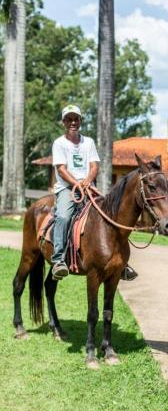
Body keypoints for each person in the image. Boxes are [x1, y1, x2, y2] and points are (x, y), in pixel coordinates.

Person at [51, 105, 100, 280]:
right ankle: (58, 260)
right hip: (67, 188)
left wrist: (87, 182)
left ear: (80, 121)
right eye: (69, 119)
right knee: (64, 216)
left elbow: (94, 166)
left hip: (88, 187)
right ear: (64, 122)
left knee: (111, 212)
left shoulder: (89, 142)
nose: (73, 122)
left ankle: (121, 261)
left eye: (76, 119)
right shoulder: (59, 143)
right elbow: (61, 169)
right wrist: (77, 184)